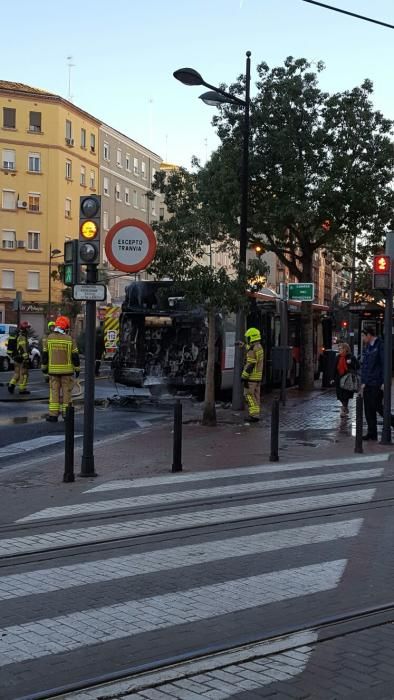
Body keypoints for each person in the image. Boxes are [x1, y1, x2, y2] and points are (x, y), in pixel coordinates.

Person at [41, 315, 80, 422]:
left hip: (53, 372)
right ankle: (66, 414)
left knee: (54, 392)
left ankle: (53, 415)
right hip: (67, 372)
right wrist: (77, 369)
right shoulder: (70, 339)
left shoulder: (49, 338)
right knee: (67, 393)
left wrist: (44, 368)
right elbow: (75, 356)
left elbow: (45, 355)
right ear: (66, 327)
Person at [361, 326, 385, 441]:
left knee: (378, 407)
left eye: (363, 336)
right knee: (368, 409)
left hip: (376, 383)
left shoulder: (380, 345)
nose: (362, 338)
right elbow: (365, 365)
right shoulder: (367, 347)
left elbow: (384, 363)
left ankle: (392, 422)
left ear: (369, 335)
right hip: (368, 383)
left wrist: (384, 382)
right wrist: (363, 382)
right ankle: (372, 433)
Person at [241, 327, 264, 422]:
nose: (247, 340)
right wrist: (243, 345)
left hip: (251, 377)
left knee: (248, 395)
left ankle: (253, 415)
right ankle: (256, 414)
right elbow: (252, 350)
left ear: (252, 338)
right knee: (256, 396)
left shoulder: (252, 349)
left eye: (248, 338)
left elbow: (250, 364)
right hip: (258, 378)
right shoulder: (259, 347)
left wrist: (244, 376)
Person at [333, 342, 359, 417]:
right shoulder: (338, 357)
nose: (339, 350)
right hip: (339, 378)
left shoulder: (351, 357)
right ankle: (345, 407)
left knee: (345, 395)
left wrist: (351, 363)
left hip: (348, 379)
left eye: (341, 348)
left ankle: (343, 409)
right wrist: (332, 378)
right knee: (340, 395)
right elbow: (334, 368)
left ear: (345, 349)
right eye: (339, 348)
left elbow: (357, 366)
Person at [7, 321, 31, 395]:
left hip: (15, 356)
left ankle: (11, 385)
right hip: (21, 357)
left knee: (17, 373)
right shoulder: (22, 336)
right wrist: (26, 358)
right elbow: (22, 348)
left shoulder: (16, 334)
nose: (28, 329)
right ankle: (22, 389)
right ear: (24, 328)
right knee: (24, 374)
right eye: (27, 328)